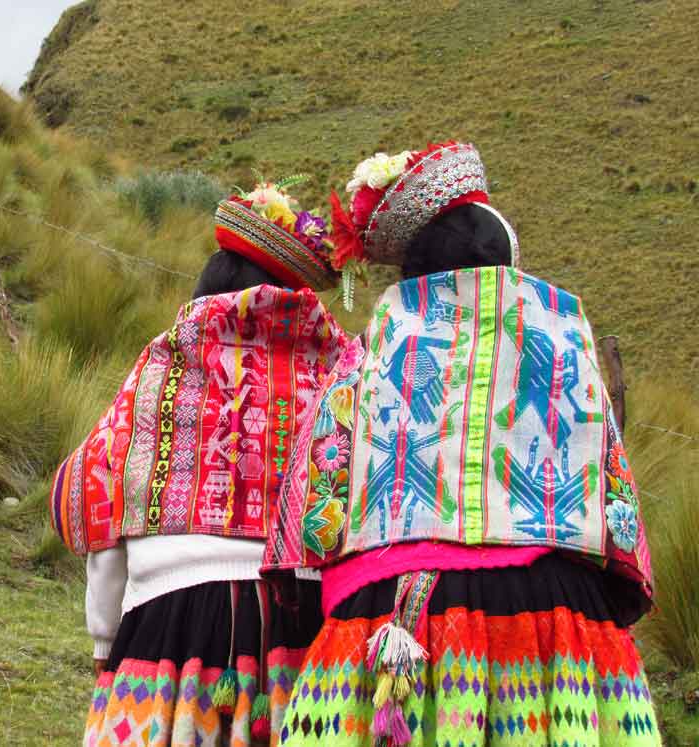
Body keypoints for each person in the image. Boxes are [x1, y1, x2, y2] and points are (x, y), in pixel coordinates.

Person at [262, 142, 659, 746]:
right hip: (551, 624)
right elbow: (615, 519)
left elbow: (311, 521)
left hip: (395, 621)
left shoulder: (364, 364)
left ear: (414, 275)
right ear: (509, 267)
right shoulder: (566, 352)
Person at [51, 179, 357, 746]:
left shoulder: (161, 368)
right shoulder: (340, 373)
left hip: (172, 624)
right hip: (306, 626)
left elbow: (105, 498)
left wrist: (104, 637)